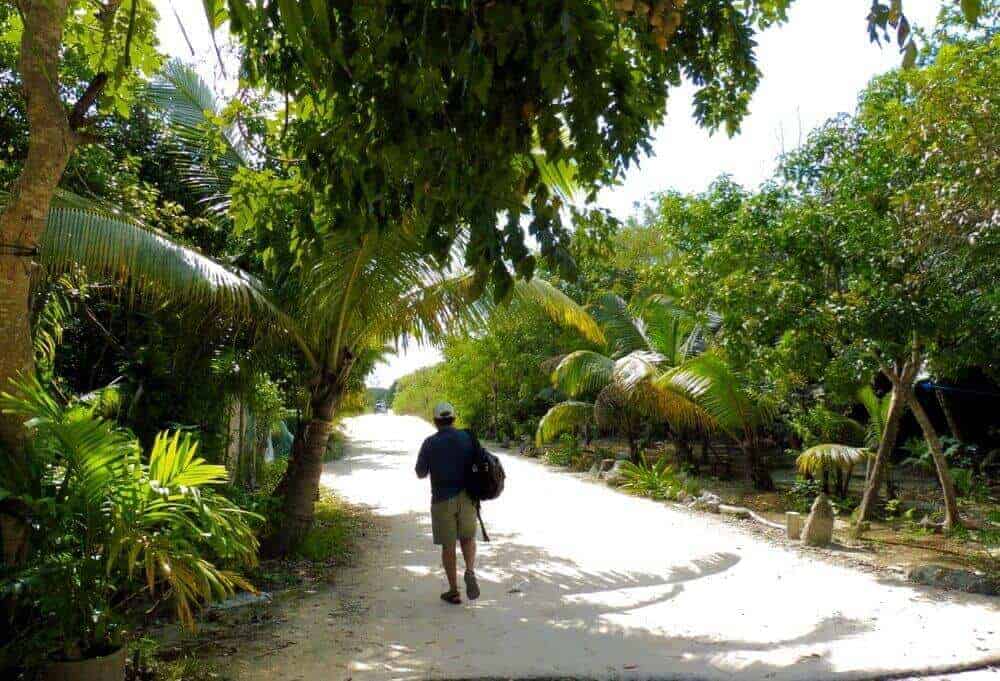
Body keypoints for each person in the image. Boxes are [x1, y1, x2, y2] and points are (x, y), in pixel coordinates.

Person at [415, 402, 480, 604]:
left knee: (448, 546)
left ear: (435, 421)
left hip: (442, 499)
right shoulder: (467, 438)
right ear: (454, 418)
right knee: (468, 538)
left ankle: (454, 590)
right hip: (467, 497)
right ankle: (469, 570)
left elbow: (420, 473)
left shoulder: (430, 443)